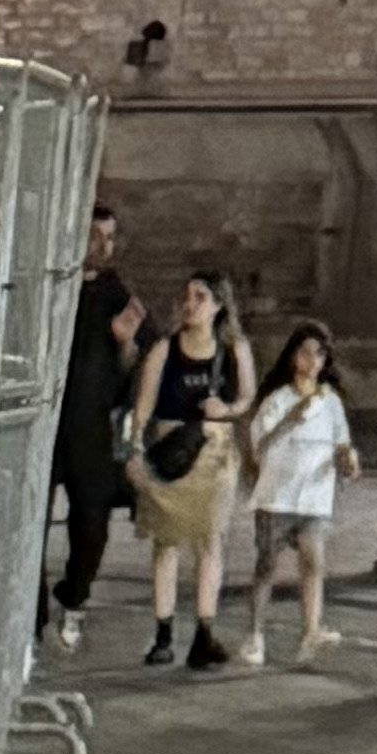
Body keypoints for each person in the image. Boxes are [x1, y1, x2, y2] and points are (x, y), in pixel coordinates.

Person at [129, 271, 253, 668]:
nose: (190, 303)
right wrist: (134, 446)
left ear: (218, 305)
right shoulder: (166, 349)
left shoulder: (233, 348)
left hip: (213, 454)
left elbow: (246, 395)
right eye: (187, 296)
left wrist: (227, 409)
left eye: (200, 297)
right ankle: (163, 632)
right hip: (171, 448)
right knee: (166, 543)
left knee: (210, 540)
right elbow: (145, 401)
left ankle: (204, 631)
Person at [50, 205, 141, 647]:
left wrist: (125, 344)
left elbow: (136, 362)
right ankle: (27, 614)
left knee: (91, 521)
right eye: (94, 236)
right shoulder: (52, 285)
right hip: (45, 427)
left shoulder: (115, 293)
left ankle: (74, 597)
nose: (103, 246)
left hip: (91, 428)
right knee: (28, 520)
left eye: (110, 238)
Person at [244, 323, 355, 664]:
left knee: (313, 561)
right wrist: (289, 421)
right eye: (306, 352)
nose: (312, 360)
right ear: (293, 357)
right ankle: (254, 633)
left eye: (319, 354)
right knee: (267, 565)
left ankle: (311, 630)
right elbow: (258, 446)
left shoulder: (331, 402)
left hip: (314, 496)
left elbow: (341, 442)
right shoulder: (277, 401)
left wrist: (346, 460)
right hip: (277, 495)